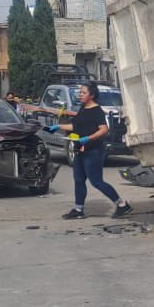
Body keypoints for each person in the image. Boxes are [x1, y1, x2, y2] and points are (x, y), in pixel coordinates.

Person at [44, 81, 132, 220]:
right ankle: (79, 210)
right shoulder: (83, 108)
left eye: (83, 93)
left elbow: (104, 129)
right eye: (80, 92)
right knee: (79, 180)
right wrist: (58, 127)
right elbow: (75, 126)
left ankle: (122, 204)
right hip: (80, 150)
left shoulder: (97, 111)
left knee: (96, 181)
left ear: (92, 95)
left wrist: (88, 138)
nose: (80, 95)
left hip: (94, 151)